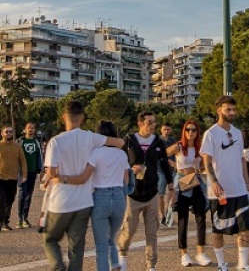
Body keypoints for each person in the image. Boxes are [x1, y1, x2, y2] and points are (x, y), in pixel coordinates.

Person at [43, 100, 126, 271]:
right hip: (84, 201)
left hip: (61, 200)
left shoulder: (55, 141)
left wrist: (60, 177)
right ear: (81, 118)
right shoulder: (90, 137)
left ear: (63, 117)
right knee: (76, 247)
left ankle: (58, 267)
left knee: (50, 239)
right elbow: (119, 143)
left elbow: (51, 172)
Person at [201, 95, 249, 271]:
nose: (232, 112)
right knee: (218, 229)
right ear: (219, 111)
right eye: (228, 109)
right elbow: (206, 161)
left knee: (244, 227)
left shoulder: (238, 133)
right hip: (219, 191)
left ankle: (243, 263)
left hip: (238, 189)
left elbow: (242, 160)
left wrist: (247, 184)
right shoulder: (211, 134)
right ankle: (221, 263)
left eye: (233, 109)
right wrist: (214, 182)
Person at [118, 111, 175, 271]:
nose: (152, 125)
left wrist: (171, 187)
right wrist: (130, 169)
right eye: (149, 122)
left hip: (151, 194)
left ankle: (151, 265)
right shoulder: (129, 141)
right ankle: (121, 257)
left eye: (154, 122)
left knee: (152, 233)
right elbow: (117, 161)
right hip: (133, 194)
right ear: (140, 123)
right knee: (128, 231)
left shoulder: (158, 142)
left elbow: (164, 165)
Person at [166, 119, 212, 268]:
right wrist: (173, 165)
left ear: (197, 132)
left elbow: (203, 165)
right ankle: (184, 254)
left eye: (193, 130)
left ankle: (200, 252)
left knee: (201, 217)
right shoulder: (178, 146)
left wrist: (203, 167)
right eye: (188, 129)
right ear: (184, 131)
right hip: (183, 181)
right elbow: (162, 155)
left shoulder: (200, 147)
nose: (190, 132)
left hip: (195, 181)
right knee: (183, 219)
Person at [0, 125, 28, 233]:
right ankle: (0, 220)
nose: (9, 133)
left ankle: (6, 220)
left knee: (10, 199)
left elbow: (23, 162)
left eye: (10, 132)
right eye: (7, 132)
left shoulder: (17, 147)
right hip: (0, 176)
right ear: (2, 133)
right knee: (0, 199)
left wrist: (24, 175)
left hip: (13, 177)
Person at [17, 122, 44, 228]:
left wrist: (41, 169)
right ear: (25, 130)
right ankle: (19, 218)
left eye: (32, 128)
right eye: (28, 128)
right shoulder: (20, 142)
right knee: (21, 194)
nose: (31, 130)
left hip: (32, 171)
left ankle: (25, 217)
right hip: (22, 172)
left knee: (29, 195)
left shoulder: (37, 142)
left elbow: (40, 156)